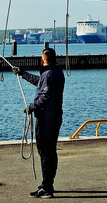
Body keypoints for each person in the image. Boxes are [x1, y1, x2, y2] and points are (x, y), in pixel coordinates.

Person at [18, 47, 65, 198]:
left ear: (43, 60)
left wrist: (31, 107)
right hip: (54, 117)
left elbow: (45, 97)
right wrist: (23, 74)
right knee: (50, 152)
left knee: (45, 152)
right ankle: (48, 184)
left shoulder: (49, 74)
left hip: (47, 119)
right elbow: (40, 83)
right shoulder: (56, 72)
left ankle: (47, 188)